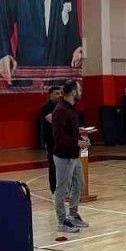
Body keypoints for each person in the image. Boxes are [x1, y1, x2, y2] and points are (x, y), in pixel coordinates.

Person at [51, 80, 90, 234]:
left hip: (74, 155)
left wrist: (81, 138)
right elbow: (59, 137)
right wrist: (77, 142)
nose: (81, 92)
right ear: (73, 92)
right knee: (62, 190)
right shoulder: (60, 110)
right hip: (64, 156)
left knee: (79, 184)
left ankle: (73, 215)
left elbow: (71, 131)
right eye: (79, 89)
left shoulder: (71, 108)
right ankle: (61, 221)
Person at [39, 86, 63, 192]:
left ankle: (64, 188)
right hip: (51, 140)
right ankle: (54, 189)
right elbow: (53, 120)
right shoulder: (46, 107)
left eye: (60, 93)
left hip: (63, 140)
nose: (59, 96)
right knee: (53, 165)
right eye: (57, 93)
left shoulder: (62, 106)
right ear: (51, 95)